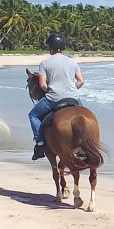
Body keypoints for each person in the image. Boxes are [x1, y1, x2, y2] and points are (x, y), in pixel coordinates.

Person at [29, 32, 85, 160]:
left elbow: (42, 85)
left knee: (33, 115)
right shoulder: (72, 62)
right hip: (74, 97)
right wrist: (70, 89)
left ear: (50, 46)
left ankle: (40, 142)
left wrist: (54, 90)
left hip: (53, 99)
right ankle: (84, 145)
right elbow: (81, 81)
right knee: (83, 116)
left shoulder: (45, 63)